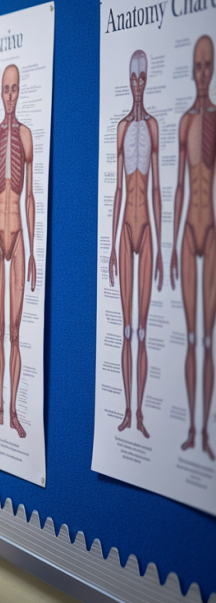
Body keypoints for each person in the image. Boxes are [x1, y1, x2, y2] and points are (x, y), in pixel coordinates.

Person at [0, 65, 36, 439]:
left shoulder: (27, 137)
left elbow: (29, 195)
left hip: (17, 237)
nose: (10, 95)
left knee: (15, 331)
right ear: (0, 92)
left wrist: (31, 250)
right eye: (6, 89)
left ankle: (14, 410)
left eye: (15, 88)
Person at [110, 50, 162, 439]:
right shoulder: (123, 128)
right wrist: (112, 245)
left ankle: (141, 412)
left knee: (141, 329)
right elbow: (117, 190)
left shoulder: (154, 127)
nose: (138, 83)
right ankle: (127, 411)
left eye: (143, 76)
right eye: (133, 77)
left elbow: (157, 188)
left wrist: (160, 247)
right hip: (126, 229)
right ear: (129, 81)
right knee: (127, 328)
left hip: (146, 229)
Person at [171, 35, 215, 459]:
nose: (202, 73)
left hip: (210, 229)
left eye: (207, 65)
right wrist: (169, 247)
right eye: (197, 66)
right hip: (186, 232)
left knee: (207, 339)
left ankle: (205, 433)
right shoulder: (184, 122)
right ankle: (191, 429)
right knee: (189, 337)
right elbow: (180, 186)